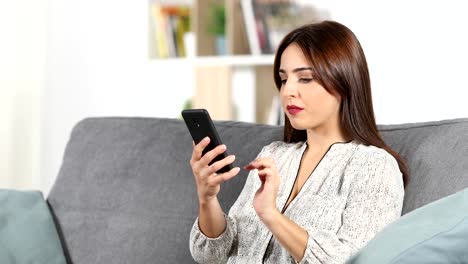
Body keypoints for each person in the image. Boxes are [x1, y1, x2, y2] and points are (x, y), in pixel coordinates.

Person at [188, 20, 409, 264]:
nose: (288, 91)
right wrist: (207, 198)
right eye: (283, 79)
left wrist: (271, 215)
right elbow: (211, 255)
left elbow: (355, 260)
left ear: (344, 81)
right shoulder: (274, 155)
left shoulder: (375, 167)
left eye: (305, 78)